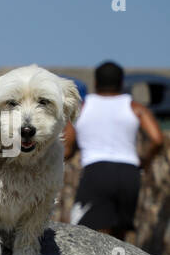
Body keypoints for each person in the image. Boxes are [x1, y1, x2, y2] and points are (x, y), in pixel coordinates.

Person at [67, 60, 165, 241]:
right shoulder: (135, 107)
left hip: (96, 171)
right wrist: (144, 160)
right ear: (121, 83)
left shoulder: (83, 107)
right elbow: (157, 139)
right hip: (129, 172)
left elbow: (68, 147)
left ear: (95, 83)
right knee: (119, 232)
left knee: (83, 230)